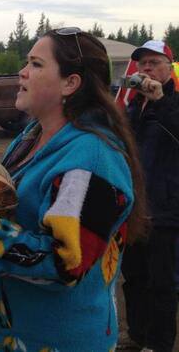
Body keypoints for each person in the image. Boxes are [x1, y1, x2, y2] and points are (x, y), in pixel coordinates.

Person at [0, 29, 146, 351]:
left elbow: (64, 265)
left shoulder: (92, 160)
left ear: (70, 83)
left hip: (50, 340)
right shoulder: (33, 135)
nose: (22, 71)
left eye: (35, 64)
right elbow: (10, 208)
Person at [120, 40, 179, 352]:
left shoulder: (172, 104)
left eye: (154, 62)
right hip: (135, 208)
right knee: (134, 278)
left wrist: (159, 102)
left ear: (169, 68)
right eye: (142, 63)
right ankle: (138, 336)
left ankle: (158, 344)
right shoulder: (133, 106)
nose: (146, 69)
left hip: (166, 209)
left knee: (162, 283)